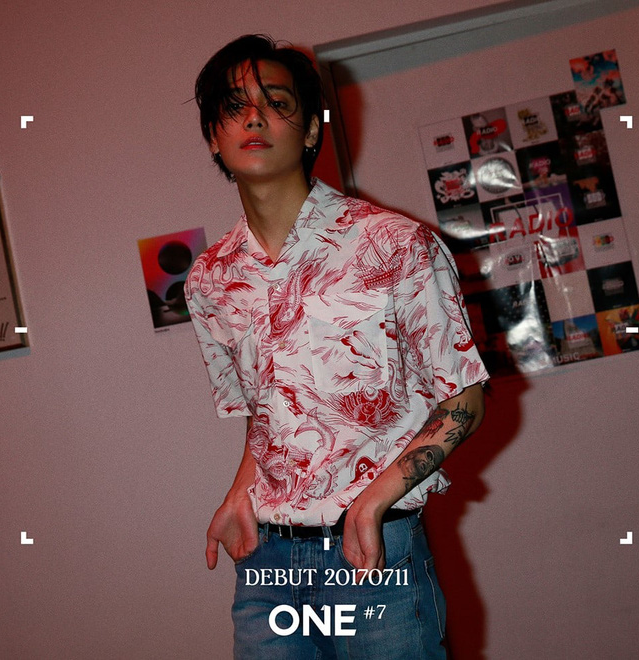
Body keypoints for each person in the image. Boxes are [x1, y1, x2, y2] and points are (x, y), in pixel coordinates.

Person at [185, 34, 489, 660]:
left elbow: (464, 400)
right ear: (214, 136)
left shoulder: (395, 244)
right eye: (234, 106)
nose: (254, 118)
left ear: (309, 130)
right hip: (268, 564)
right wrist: (239, 493)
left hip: (374, 553)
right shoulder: (210, 279)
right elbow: (269, 415)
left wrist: (372, 502)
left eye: (276, 102)